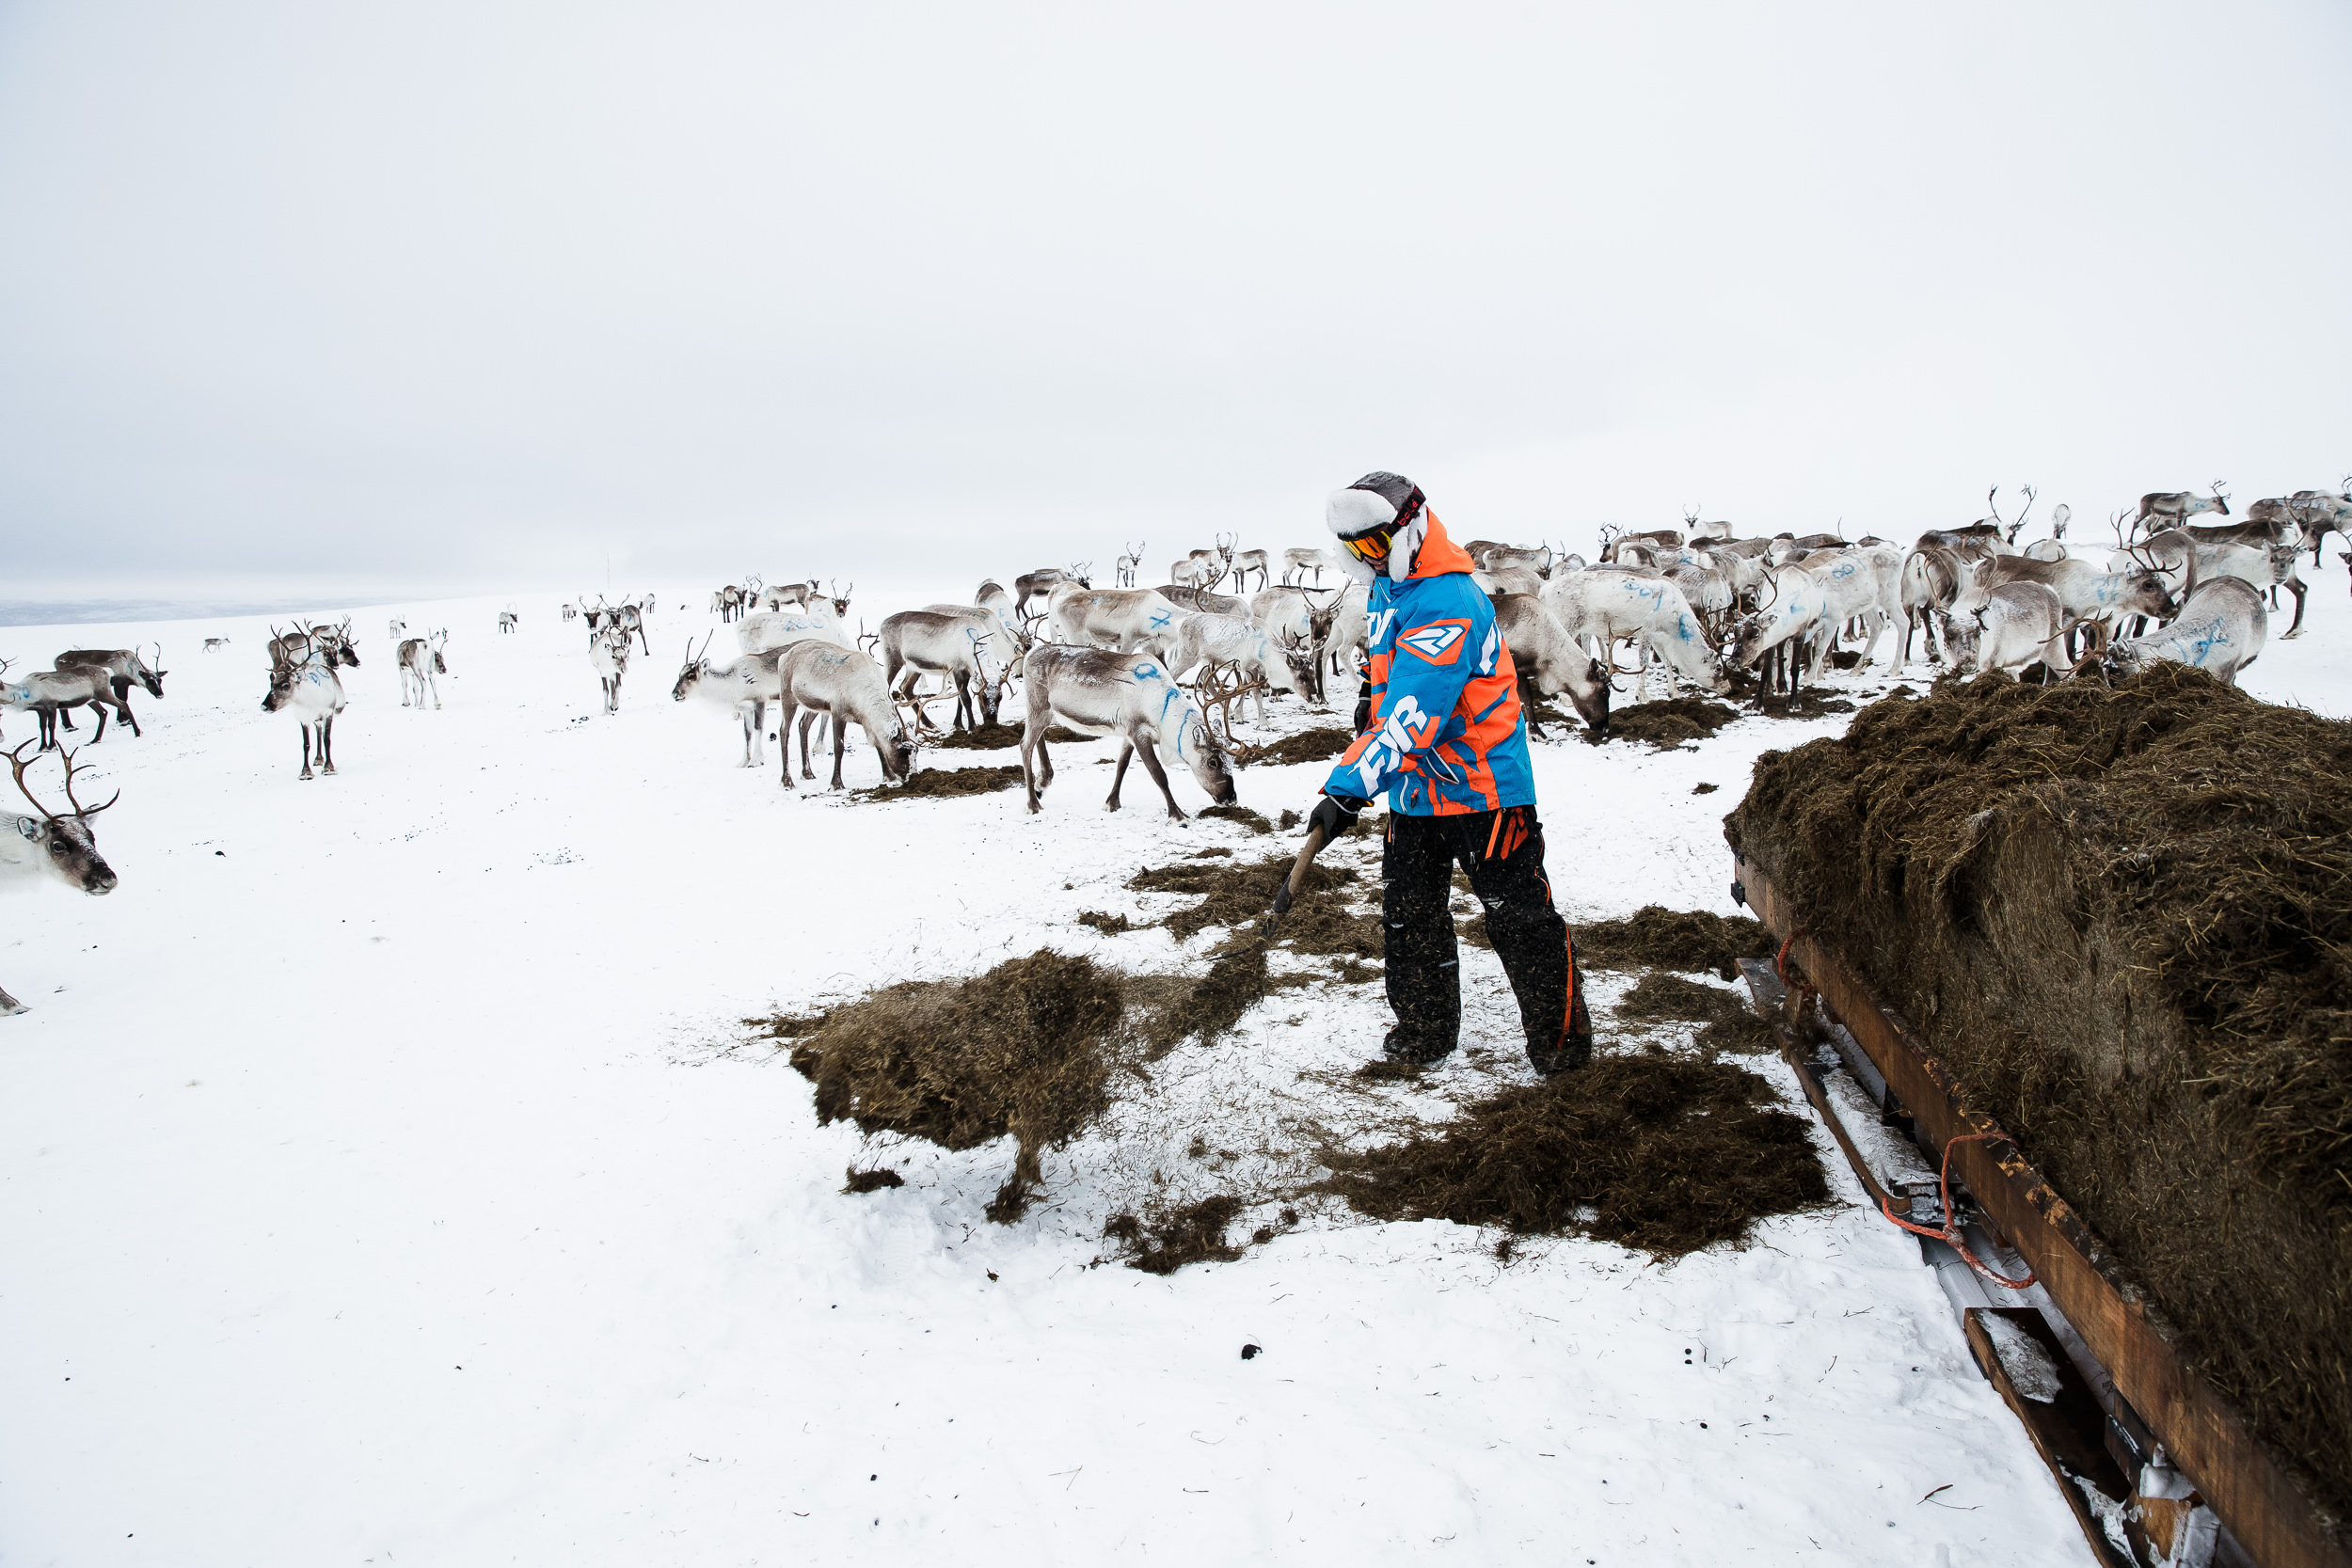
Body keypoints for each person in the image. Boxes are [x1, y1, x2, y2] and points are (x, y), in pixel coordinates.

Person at [1306, 471, 1592, 1075]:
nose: (1369, 560)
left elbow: (1414, 719)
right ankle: (1424, 1031)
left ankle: (1563, 1052)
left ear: (1409, 526)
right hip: (1413, 792)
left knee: (1519, 919)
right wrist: (1365, 705)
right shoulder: (1391, 592)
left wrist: (1345, 791)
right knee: (1411, 915)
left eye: (1376, 545)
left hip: (1483, 788)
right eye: (1356, 549)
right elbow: (1386, 683)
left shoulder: (1448, 600)